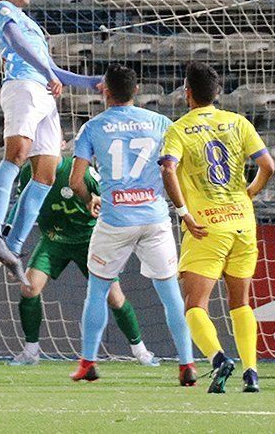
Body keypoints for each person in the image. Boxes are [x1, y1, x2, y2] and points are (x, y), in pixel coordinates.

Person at [68, 65, 196, 384]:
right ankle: (187, 365)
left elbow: (75, 180)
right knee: (170, 295)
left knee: (97, 292)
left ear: (105, 91)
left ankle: (88, 363)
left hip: (115, 220)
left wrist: (89, 199)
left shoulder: (92, 128)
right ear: (136, 90)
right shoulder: (162, 124)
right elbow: (175, 170)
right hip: (154, 218)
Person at [0, 0, 104, 285]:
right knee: (16, 154)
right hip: (24, 86)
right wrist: (47, 73)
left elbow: (52, 68)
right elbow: (18, 45)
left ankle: (13, 245)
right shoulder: (2, 10)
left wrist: (91, 82)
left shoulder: (31, 24)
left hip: (45, 94)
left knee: (46, 173)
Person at [160, 63, 275, 393]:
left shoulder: (179, 129)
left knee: (195, 306)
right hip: (242, 223)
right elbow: (268, 165)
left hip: (206, 228)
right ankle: (251, 372)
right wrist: (249, 193)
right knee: (241, 303)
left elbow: (168, 169)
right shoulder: (238, 122)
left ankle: (218, 358)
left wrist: (183, 212)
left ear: (187, 93)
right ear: (218, 93)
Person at [5, 153, 159, 368]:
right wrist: (7, 237)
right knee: (29, 288)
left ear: (59, 144)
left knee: (114, 297)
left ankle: (141, 351)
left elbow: (109, 197)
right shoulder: (27, 173)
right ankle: (31, 351)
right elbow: (22, 206)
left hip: (89, 240)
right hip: (53, 239)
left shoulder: (79, 170)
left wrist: (118, 241)